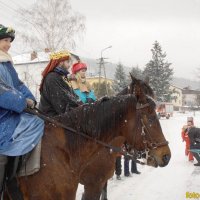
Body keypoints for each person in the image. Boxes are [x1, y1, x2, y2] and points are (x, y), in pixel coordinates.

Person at [0, 24, 44, 194]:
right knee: (3, 144)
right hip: (2, 115)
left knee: (35, 122)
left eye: (9, 41)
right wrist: (21, 102)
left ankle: (14, 179)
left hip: (9, 113)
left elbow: (18, 85)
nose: (9, 44)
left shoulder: (6, 62)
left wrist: (30, 98)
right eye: (5, 40)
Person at [39, 51, 81, 116]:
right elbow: (61, 104)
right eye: (67, 62)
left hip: (60, 118)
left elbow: (73, 97)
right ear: (61, 62)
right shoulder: (52, 78)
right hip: (51, 119)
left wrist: (81, 106)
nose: (69, 65)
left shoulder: (62, 77)